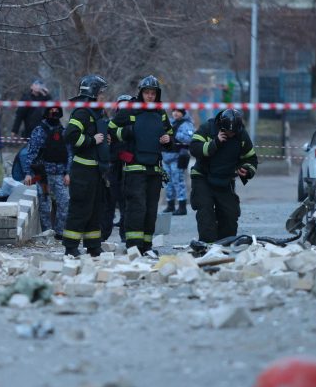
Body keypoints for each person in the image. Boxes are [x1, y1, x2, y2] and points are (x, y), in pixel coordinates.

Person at [108, 75, 174, 255]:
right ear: (141, 93)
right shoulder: (131, 110)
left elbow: (170, 134)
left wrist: (169, 139)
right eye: (147, 92)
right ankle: (133, 246)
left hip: (154, 168)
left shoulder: (160, 113)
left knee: (151, 210)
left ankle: (147, 246)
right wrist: (127, 132)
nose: (150, 96)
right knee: (137, 208)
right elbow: (111, 128)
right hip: (135, 169)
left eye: (153, 93)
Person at [189, 108, 258, 243]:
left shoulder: (241, 135)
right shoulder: (208, 128)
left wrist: (247, 170)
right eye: (228, 132)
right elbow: (194, 148)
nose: (231, 134)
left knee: (229, 214)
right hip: (203, 177)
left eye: (233, 132)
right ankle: (208, 248)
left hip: (225, 180)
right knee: (205, 211)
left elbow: (251, 159)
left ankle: (225, 246)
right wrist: (215, 143)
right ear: (221, 126)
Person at [62, 74, 110, 257]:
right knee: (80, 209)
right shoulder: (82, 112)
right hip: (82, 171)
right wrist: (92, 140)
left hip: (95, 171)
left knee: (94, 210)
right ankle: (71, 247)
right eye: (101, 93)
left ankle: (93, 247)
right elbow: (70, 136)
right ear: (93, 93)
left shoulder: (97, 113)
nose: (104, 96)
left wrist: (105, 139)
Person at [22, 106, 71, 240]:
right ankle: (47, 233)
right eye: (51, 111)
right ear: (46, 113)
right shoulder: (39, 131)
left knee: (65, 202)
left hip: (60, 174)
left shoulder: (63, 131)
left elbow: (69, 154)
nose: (54, 114)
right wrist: (28, 173)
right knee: (45, 205)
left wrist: (68, 173)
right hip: (43, 175)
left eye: (56, 111)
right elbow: (31, 153)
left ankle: (60, 233)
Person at [101, 95, 134, 242]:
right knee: (108, 203)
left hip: (129, 168)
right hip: (112, 168)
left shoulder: (134, 126)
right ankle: (102, 236)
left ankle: (125, 236)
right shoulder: (109, 124)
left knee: (126, 204)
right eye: (121, 106)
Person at [161, 108, 195, 216]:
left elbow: (189, 138)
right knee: (168, 182)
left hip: (177, 157)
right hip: (166, 157)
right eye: (174, 111)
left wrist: (175, 134)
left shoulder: (186, 124)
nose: (175, 113)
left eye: (178, 111)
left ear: (183, 113)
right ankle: (170, 205)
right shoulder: (169, 122)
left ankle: (182, 207)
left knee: (179, 182)